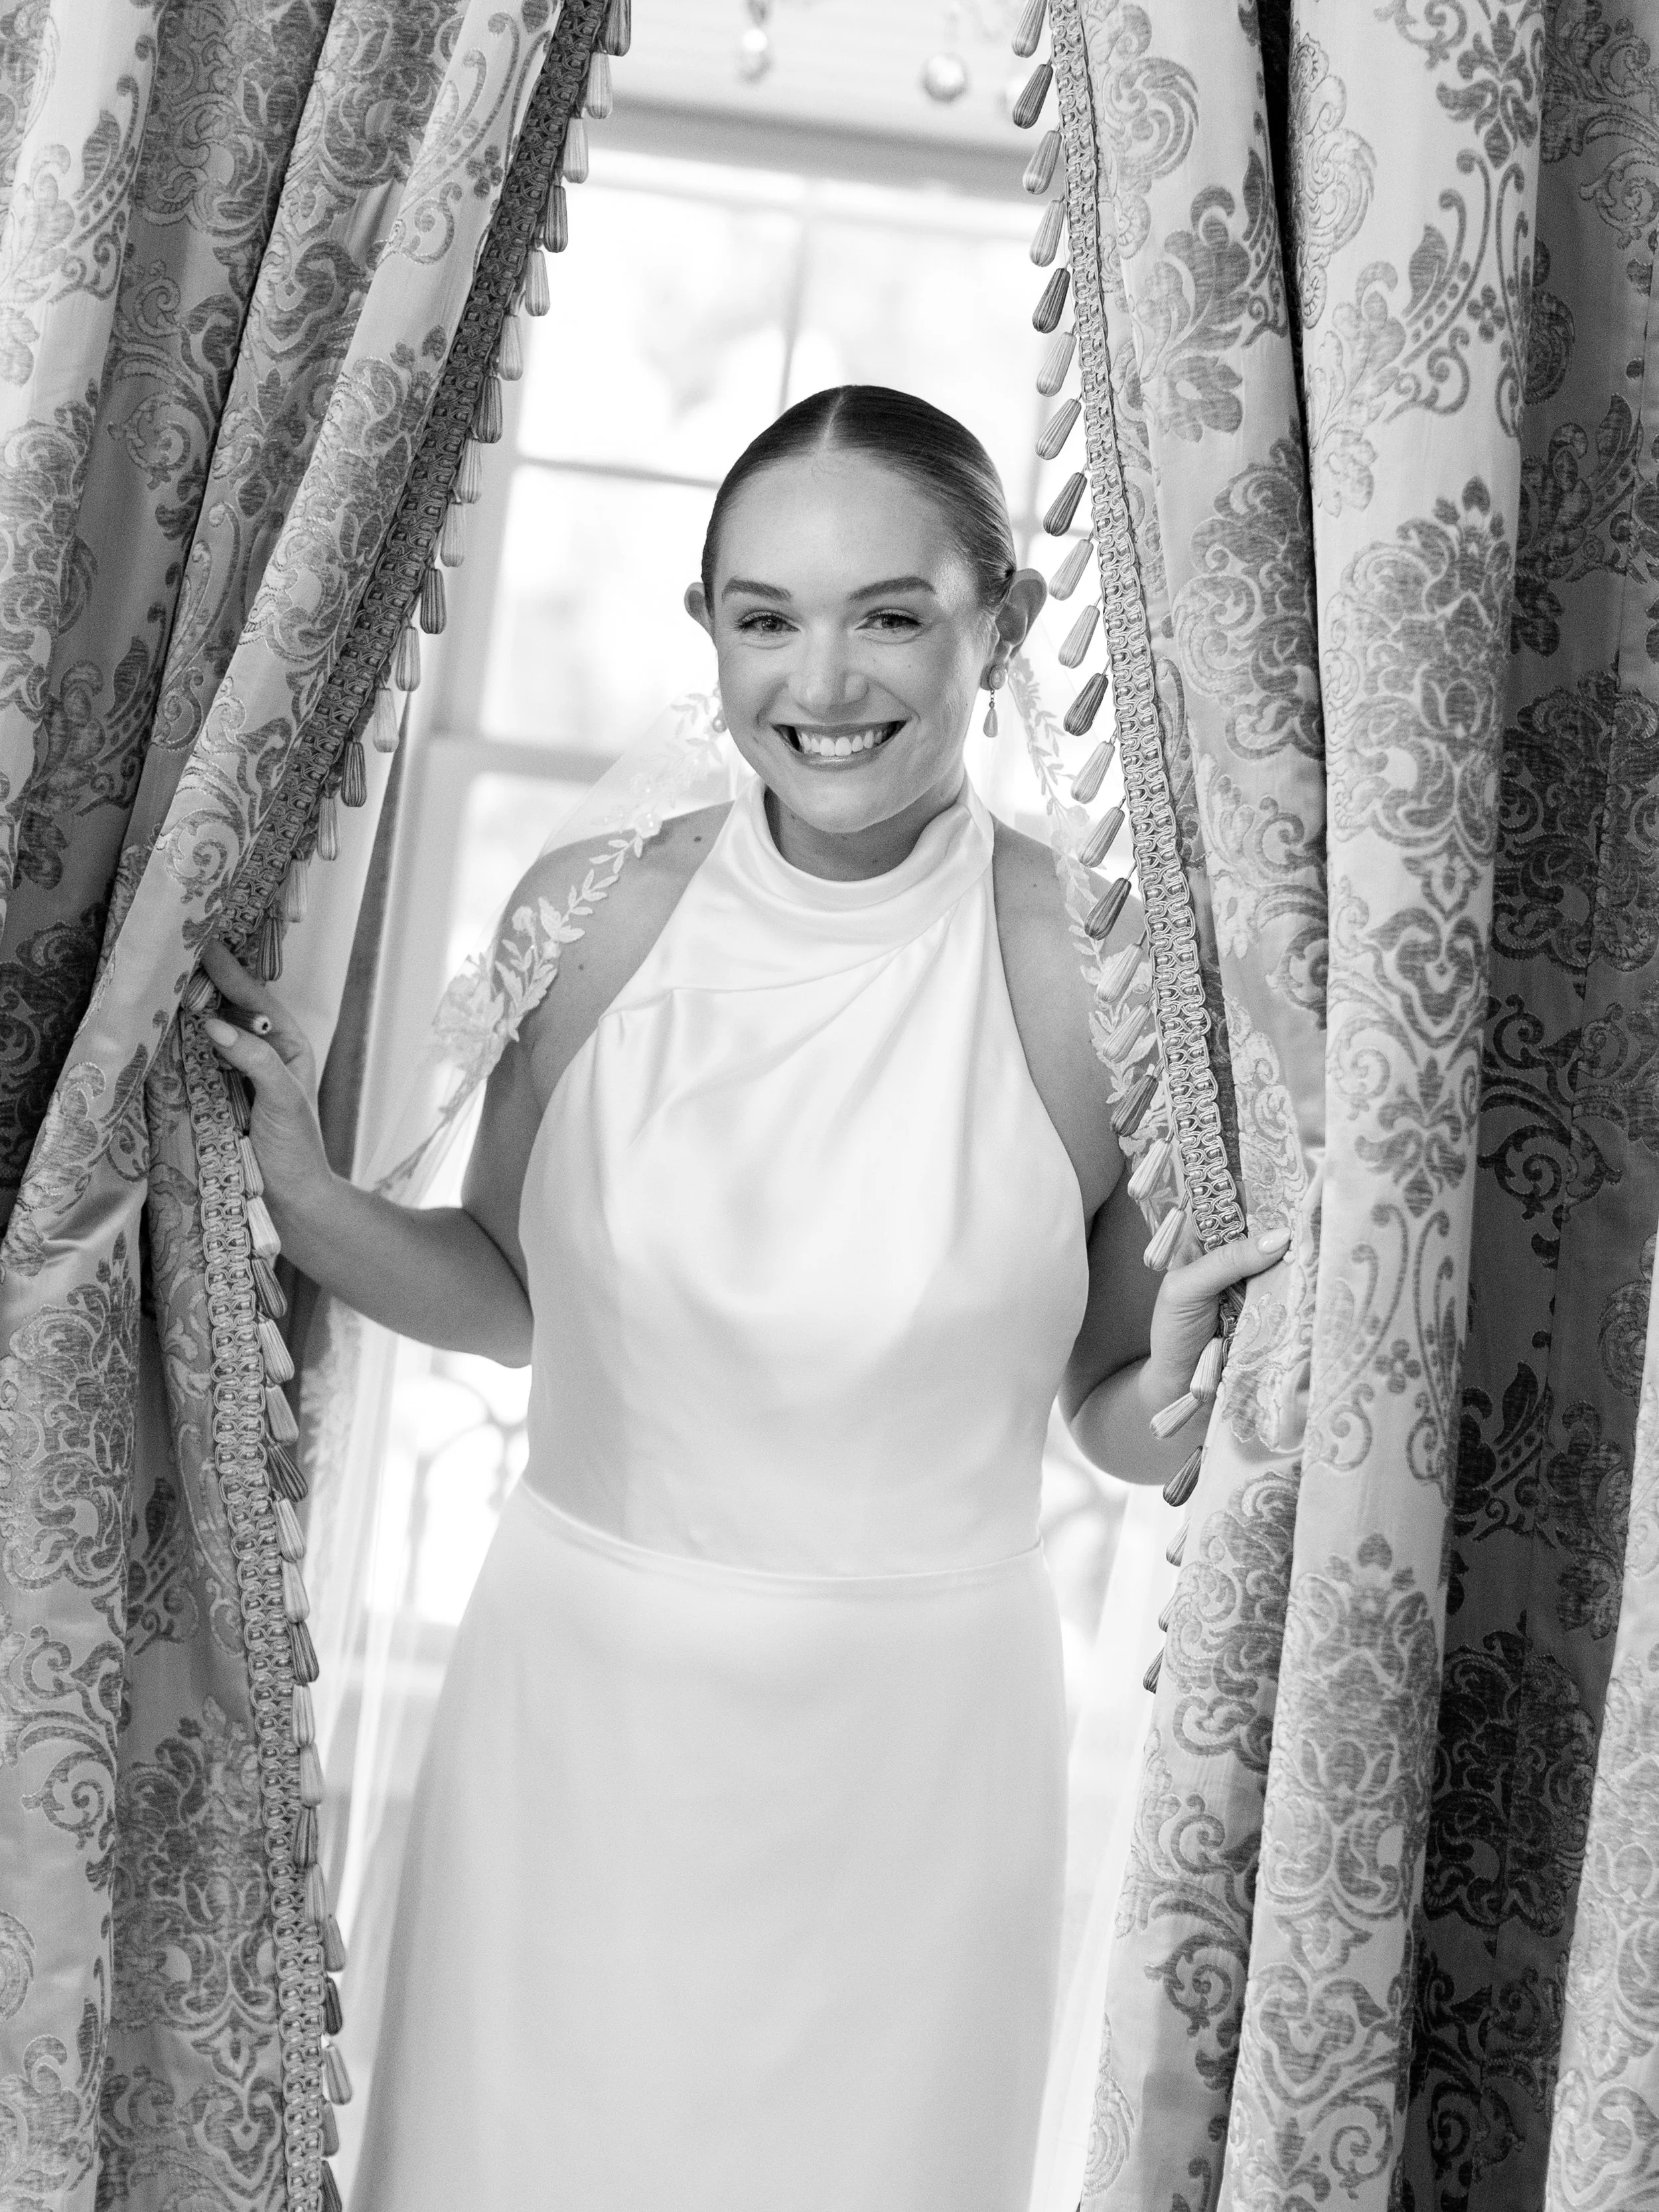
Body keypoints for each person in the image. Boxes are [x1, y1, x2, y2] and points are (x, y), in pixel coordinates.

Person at [202, 386, 1287, 2212]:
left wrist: (1194, 1383)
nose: (824, 678)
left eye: (889, 612)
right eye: (766, 615)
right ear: (704, 632)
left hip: (918, 1755)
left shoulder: (1098, 979)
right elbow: (507, 1294)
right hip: (578, 1716)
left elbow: (1106, 1404)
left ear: (998, 625)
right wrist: (304, 1195)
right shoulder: (593, 917)